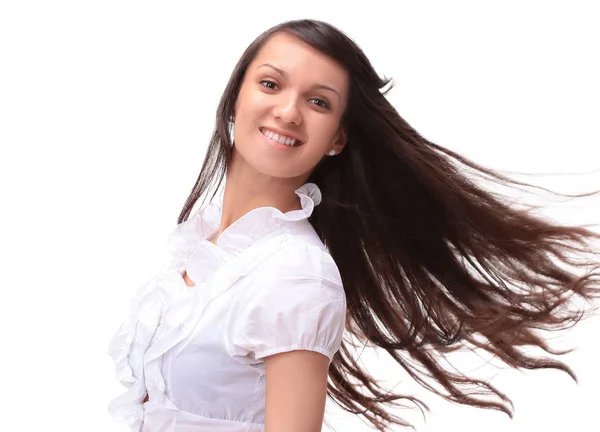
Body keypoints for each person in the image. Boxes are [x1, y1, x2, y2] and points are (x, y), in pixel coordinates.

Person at [108, 18, 600, 432]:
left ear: (338, 138)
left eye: (318, 102)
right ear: (236, 97)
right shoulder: (204, 245)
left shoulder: (294, 275)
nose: (287, 111)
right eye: (271, 84)